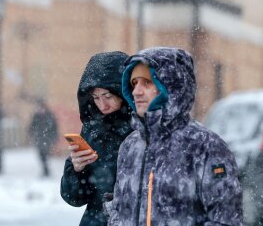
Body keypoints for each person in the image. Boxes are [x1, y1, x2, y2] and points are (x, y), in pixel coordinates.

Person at [108, 47, 243, 226]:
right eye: (134, 84)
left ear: (171, 88)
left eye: (147, 83)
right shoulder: (130, 146)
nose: (136, 92)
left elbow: (226, 220)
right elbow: (118, 211)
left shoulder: (205, 147)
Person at [60, 51, 132, 226]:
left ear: (122, 92)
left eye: (108, 96)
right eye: (96, 98)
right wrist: (77, 169)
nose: (102, 105)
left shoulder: (142, 129)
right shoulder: (93, 130)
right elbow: (74, 198)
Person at [28, 99, 59, 177]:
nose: (39, 109)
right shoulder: (36, 116)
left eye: (40, 107)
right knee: (40, 155)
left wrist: (54, 138)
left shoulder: (49, 115)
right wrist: (30, 132)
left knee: (45, 155)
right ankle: (45, 170)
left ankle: (46, 171)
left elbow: (54, 128)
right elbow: (32, 126)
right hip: (39, 139)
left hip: (47, 139)